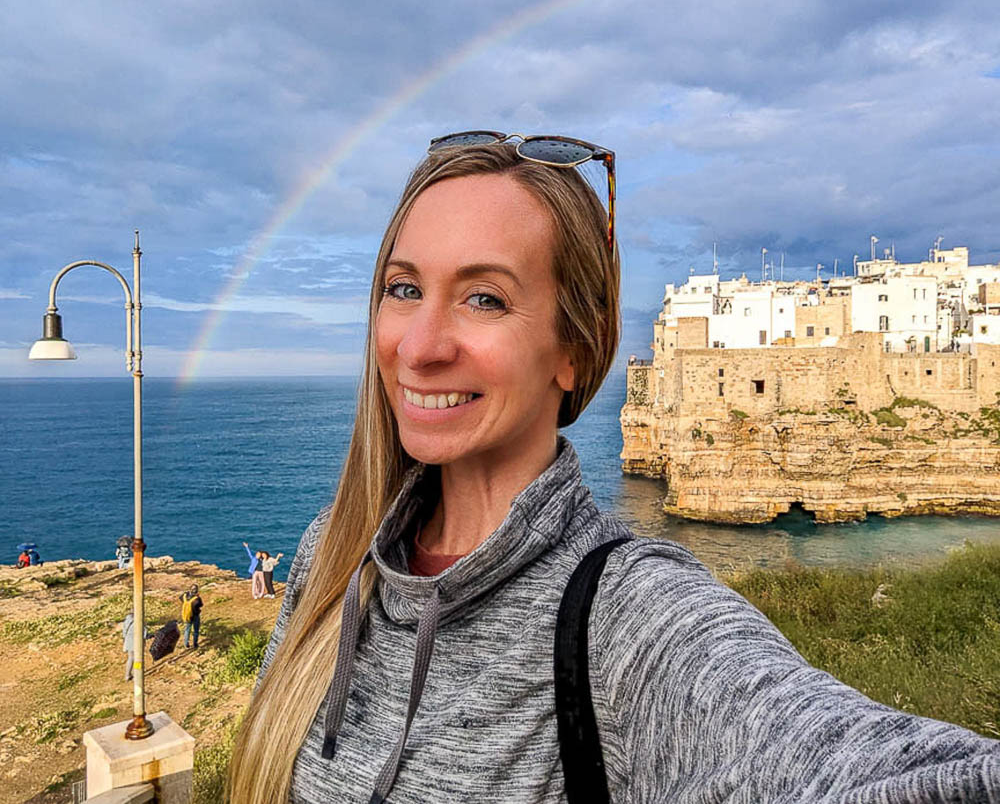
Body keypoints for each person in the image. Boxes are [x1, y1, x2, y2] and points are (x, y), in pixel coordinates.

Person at [228, 138, 1000, 803]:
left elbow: (860, 763)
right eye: (404, 288)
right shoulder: (332, 557)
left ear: (576, 347)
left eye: (485, 298)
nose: (421, 344)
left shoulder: (629, 618)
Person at [121, 612, 147, 682]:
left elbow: (124, 630)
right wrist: (144, 640)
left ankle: (127, 675)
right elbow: (144, 631)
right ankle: (136, 675)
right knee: (137, 659)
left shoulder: (127, 620)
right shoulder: (140, 620)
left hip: (128, 640)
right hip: (137, 641)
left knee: (130, 658)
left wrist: (124, 639)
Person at [180, 584, 203, 649]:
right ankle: (195, 644)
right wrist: (198, 597)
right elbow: (200, 605)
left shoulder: (185, 596)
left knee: (187, 630)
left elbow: (180, 598)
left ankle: (186, 643)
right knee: (196, 630)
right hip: (195, 616)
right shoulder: (197, 599)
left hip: (187, 616)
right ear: (197, 590)